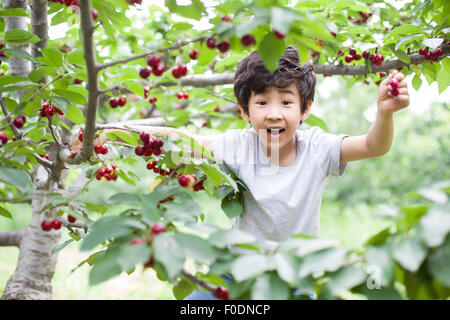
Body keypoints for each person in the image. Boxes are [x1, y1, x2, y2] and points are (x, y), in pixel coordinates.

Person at [71, 45, 410, 300]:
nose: (274, 113)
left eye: (286, 102)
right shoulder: (237, 145)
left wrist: (384, 114)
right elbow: (180, 140)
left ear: (306, 109)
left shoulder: (318, 148)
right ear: (245, 112)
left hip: (297, 277)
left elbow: (373, 146)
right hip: (237, 273)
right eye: (262, 102)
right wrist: (110, 130)